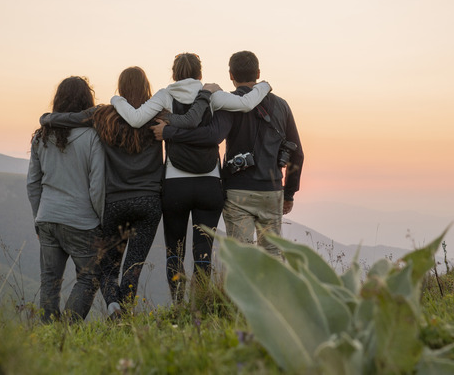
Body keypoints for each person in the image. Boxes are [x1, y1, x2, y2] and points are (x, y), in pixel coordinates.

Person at [39, 66, 212, 316]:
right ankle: (126, 313)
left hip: (114, 203)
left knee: (109, 265)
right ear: (147, 87)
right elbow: (191, 125)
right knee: (134, 264)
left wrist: (46, 118)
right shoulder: (158, 115)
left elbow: (71, 119)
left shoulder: (103, 115)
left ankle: (113, 306)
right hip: (149, 202)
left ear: (120, 88)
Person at [111, 53, 271, 302]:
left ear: (174, 73)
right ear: (199, 73)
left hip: (175, 185)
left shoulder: (165, 95)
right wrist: (265, 85)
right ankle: (202, 302)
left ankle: (178, 303)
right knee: (203, 250)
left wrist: (116, 99)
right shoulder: (211, 94)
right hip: (209, 184)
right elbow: (246, 104)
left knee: (174, 249)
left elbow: (135, 119)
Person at [151, 51, 304, 257]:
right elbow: (297, 153)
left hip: (237, 190)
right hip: (272, 190)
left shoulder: (227, 103)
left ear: (231, 75)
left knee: (241, 258)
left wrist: (169, 131)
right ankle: (272, 291)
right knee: (273, 254)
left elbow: (211, 135)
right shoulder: (281, 105)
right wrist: (289, 194)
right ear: (258, 73)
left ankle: (239, 290)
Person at [26, 76, 105, 323]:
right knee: (91, 277)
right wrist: (101, 220)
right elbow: (97, 186)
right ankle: (68, 329)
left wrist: (38, 219)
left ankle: (49, 331)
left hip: (47, 218)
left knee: (49, 280)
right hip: (81, 221)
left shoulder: (41, 136)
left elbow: (32, 184)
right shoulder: (93, 137)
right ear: (87, 101)